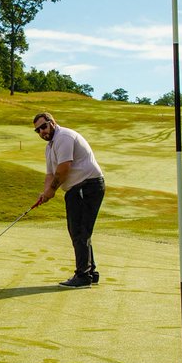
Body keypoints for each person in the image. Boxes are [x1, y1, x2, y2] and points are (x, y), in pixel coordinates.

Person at [33, 111, 105, 289]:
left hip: (87, 186)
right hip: (76, 189)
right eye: (37, 130)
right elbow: (51, 173)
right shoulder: (50, 147)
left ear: (52, 122)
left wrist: (52, 190)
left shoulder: (63, 137)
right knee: (79, 231)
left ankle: (83, 276)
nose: (42, 131)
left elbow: (64, 168)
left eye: (44, 126)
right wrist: (45, 192)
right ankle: (90, 272)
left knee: (80, 231)